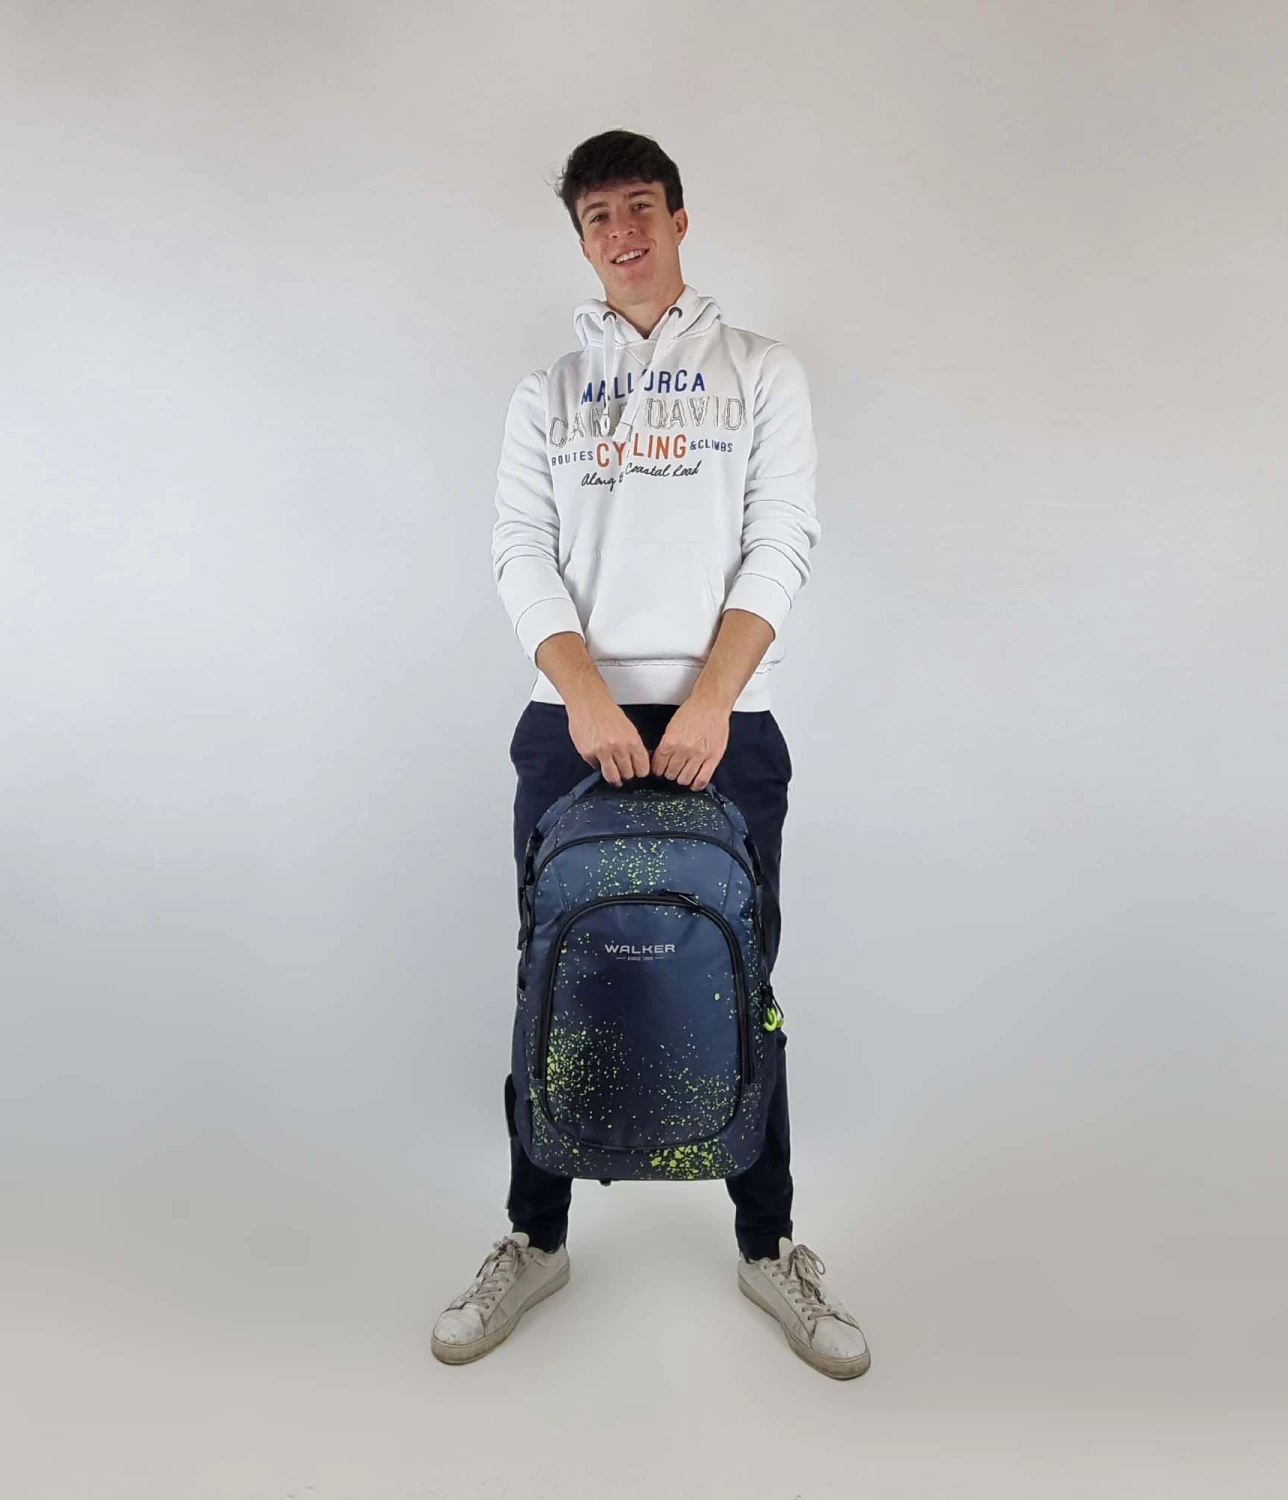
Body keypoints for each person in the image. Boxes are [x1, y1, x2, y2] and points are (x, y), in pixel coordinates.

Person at [430, 130, 869, 1379]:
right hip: (570, 728)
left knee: (742, 977)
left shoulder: (760, 373)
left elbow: (782, 537)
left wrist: (710, 702)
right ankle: (536, 1237)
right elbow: (520, 550)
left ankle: (768, 1245)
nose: (621, 233)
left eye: (639, 207)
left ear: (680, 219)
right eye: (597, 218)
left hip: (729, 728)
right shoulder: (548, 395)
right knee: (554, 973)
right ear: (580, 241)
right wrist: (585, 697)